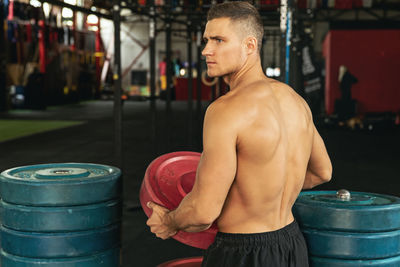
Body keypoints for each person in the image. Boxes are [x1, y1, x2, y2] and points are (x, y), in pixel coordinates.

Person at [146, 2, 332, 266]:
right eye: (207, 40)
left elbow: (203, 212)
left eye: (219, 40)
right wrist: (263, 189)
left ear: (250, 45)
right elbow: (322, 172)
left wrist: (169, 221)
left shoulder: (225, 110)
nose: (206, 50)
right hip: (291, 244)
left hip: (243, 252)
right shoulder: (295, 101)